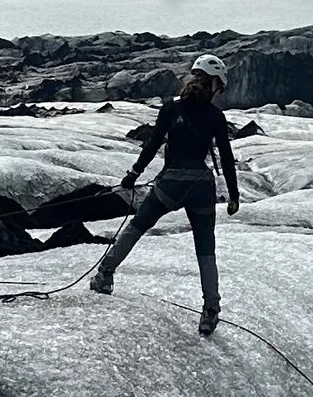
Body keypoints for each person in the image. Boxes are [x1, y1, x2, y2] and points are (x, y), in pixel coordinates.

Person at [90, 52, 241, 332]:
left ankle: (105, 275)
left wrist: (134, 174)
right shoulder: (215, 116)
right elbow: (227, 157)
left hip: (169, 184)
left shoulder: (171, 109)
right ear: (215, 85)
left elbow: (153, 144)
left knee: (136, 227)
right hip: (201, 187)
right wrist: (233, 194)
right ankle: (210, 310)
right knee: (206, 249)